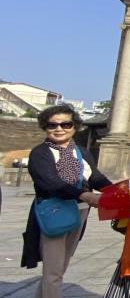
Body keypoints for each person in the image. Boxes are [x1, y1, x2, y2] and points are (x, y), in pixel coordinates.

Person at [22, 104, 113, 298]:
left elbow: (95, 177)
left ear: (75, 126)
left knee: (60, 265)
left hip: (80, 211)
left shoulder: (81, 152)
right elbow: (50, 183)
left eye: (66, 124)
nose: (59, 129)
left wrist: (116, 192)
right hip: (55, 212)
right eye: (52, 125)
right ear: (45, 127)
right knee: (54, 270)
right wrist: (84, 195)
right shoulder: (40, 153)